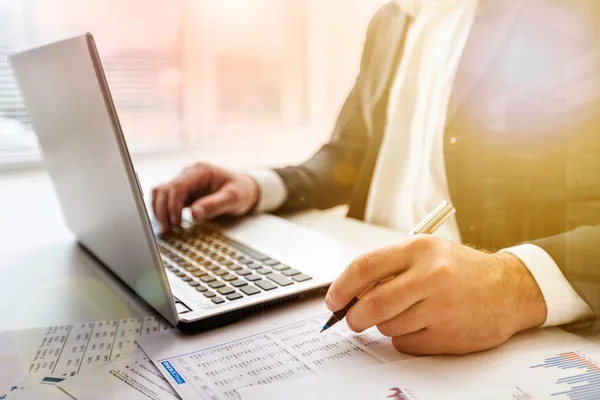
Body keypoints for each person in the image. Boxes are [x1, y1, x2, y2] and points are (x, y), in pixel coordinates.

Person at [152, 0, 600, 355]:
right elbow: (349, 155)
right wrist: (258, 185)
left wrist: (513, 284)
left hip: (490, 330)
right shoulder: (389, 20)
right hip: (370, 284)